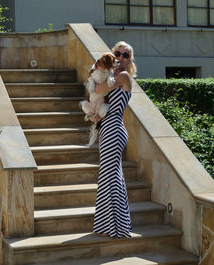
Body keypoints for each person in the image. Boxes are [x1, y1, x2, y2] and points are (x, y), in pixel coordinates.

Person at [91, 41, 137, 238]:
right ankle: (107, 226)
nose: (120, 57)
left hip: (115, 130)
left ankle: (117, 227)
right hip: (108, 128)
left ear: (129, 61)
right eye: (117, 53)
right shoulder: (112, 76)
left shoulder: (123, 76)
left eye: (125, 55)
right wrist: (96, 115)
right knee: (108, 176)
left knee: (111, 177)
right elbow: (101, 98)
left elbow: (97, 90)